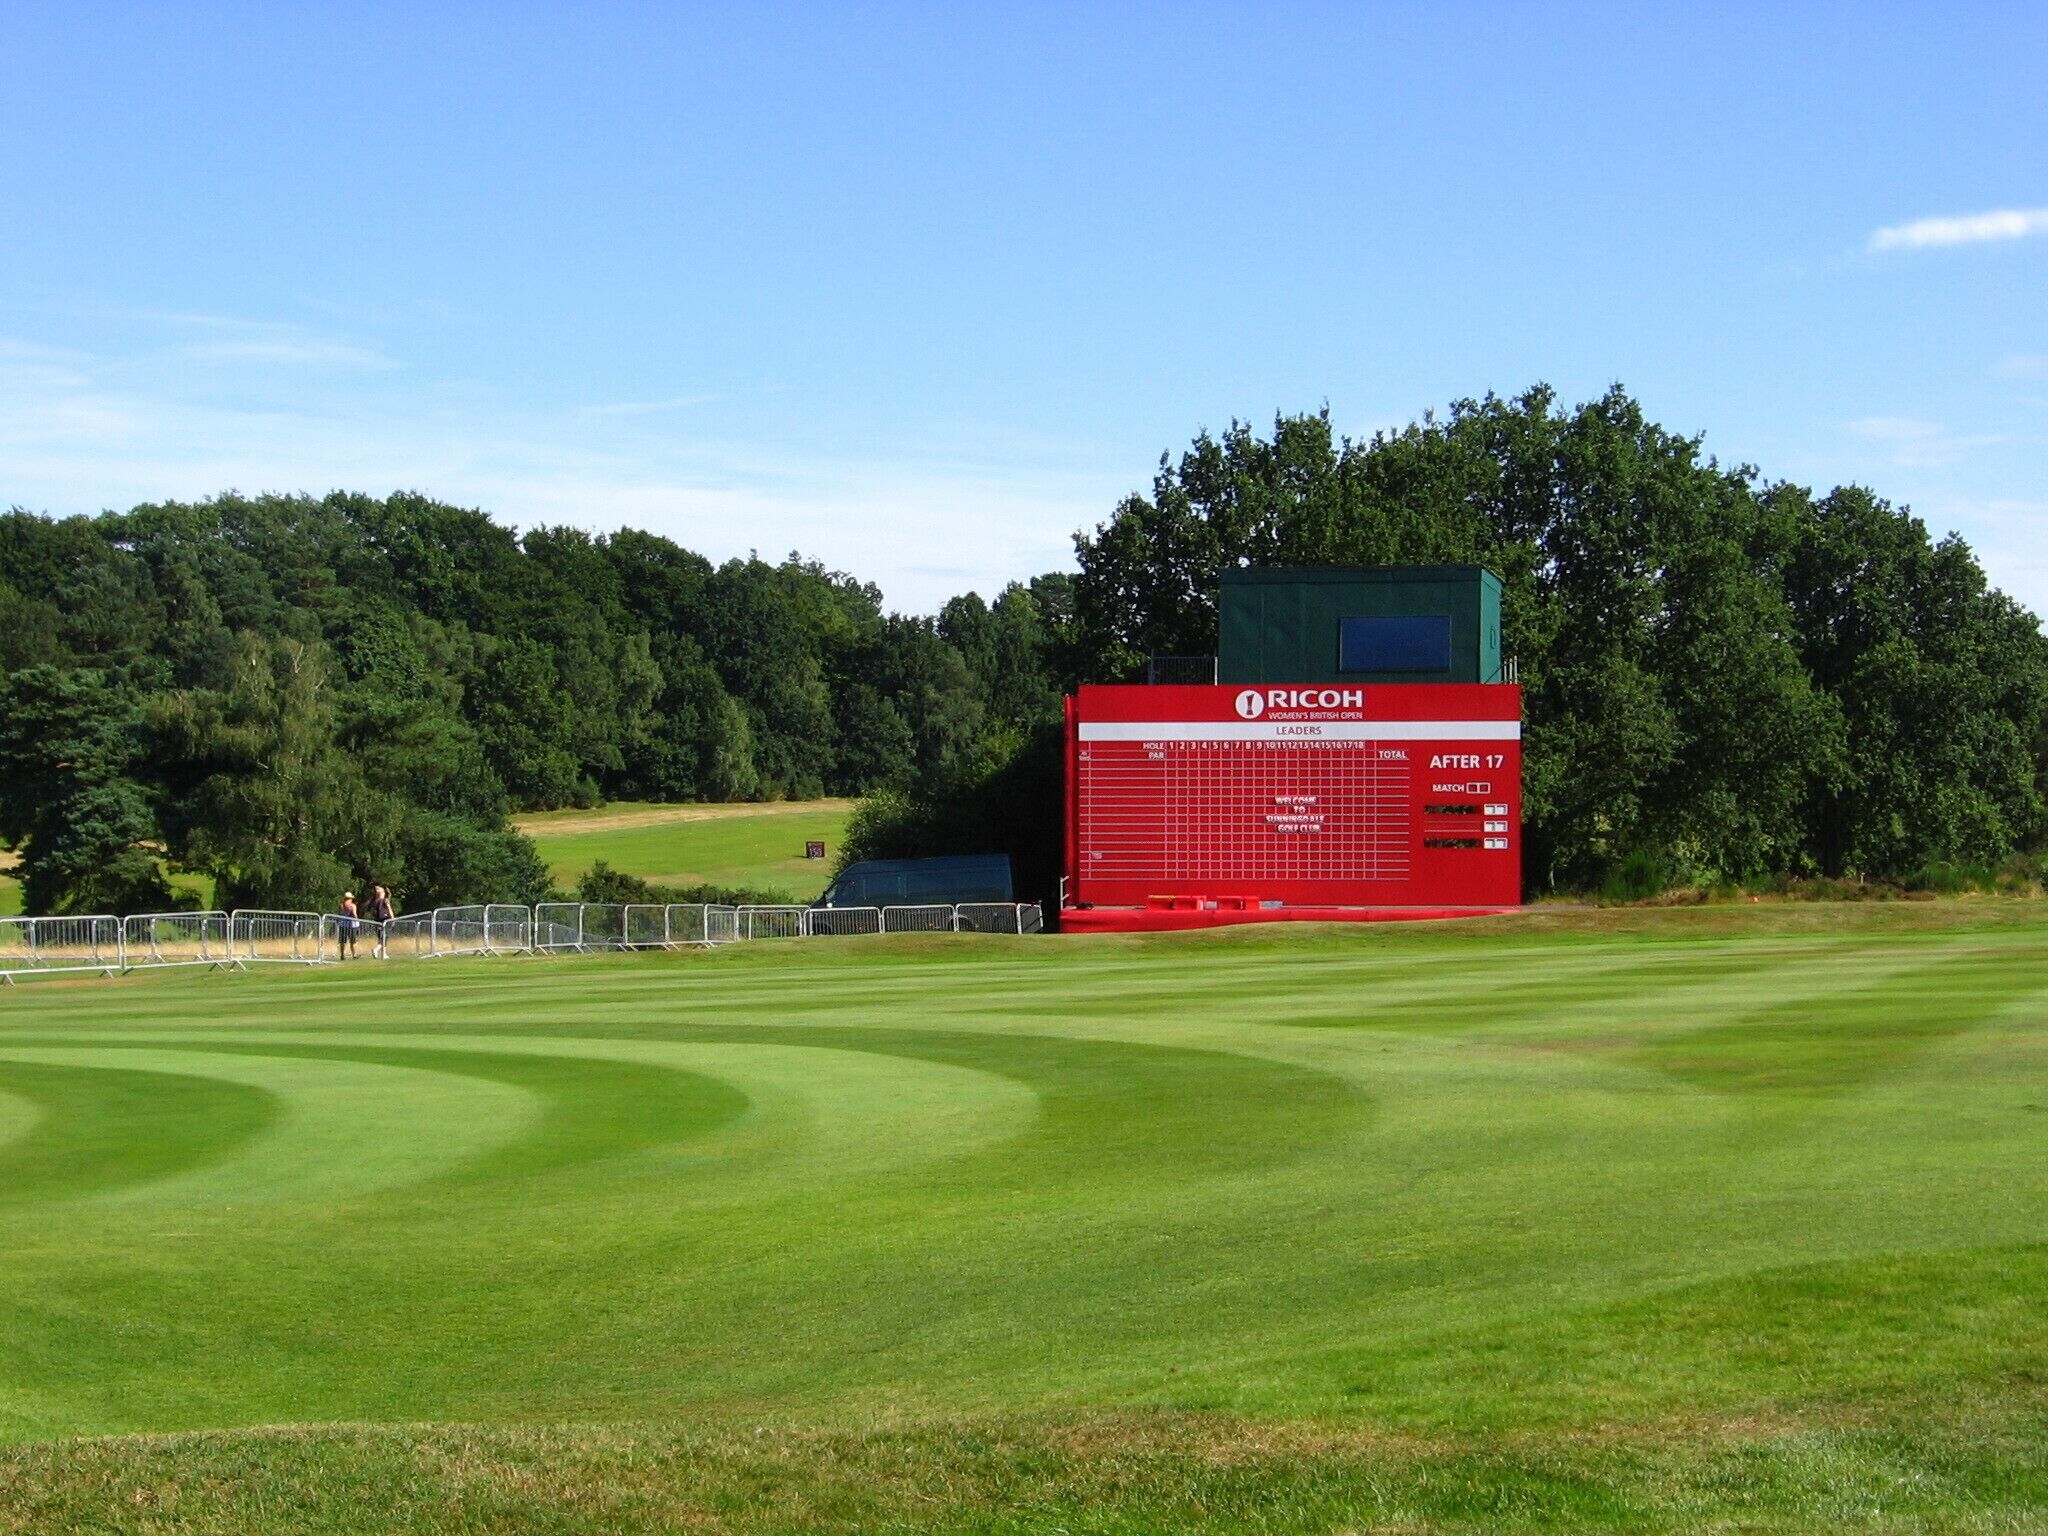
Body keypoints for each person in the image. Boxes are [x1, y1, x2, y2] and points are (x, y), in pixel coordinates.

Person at [367, 884, 394, 958]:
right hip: (384, 919)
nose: (376, 890)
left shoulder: (377, 900)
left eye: (378, 889)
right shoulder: (381, 900)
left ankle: (384, 954)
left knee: (383, 937)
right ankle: (376, 950)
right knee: (383, 937)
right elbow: (389, 909)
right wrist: (392, 918)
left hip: (380, 920)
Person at [338, 891, 360, 959]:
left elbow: (340, 913)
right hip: (351, 925)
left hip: (342, 924)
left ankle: (342, 955)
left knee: (342, 941)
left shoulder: (341, 905)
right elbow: (354, 914)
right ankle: (354, 955)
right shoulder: (352, 905)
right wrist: (357, 919)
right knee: (353, 941)